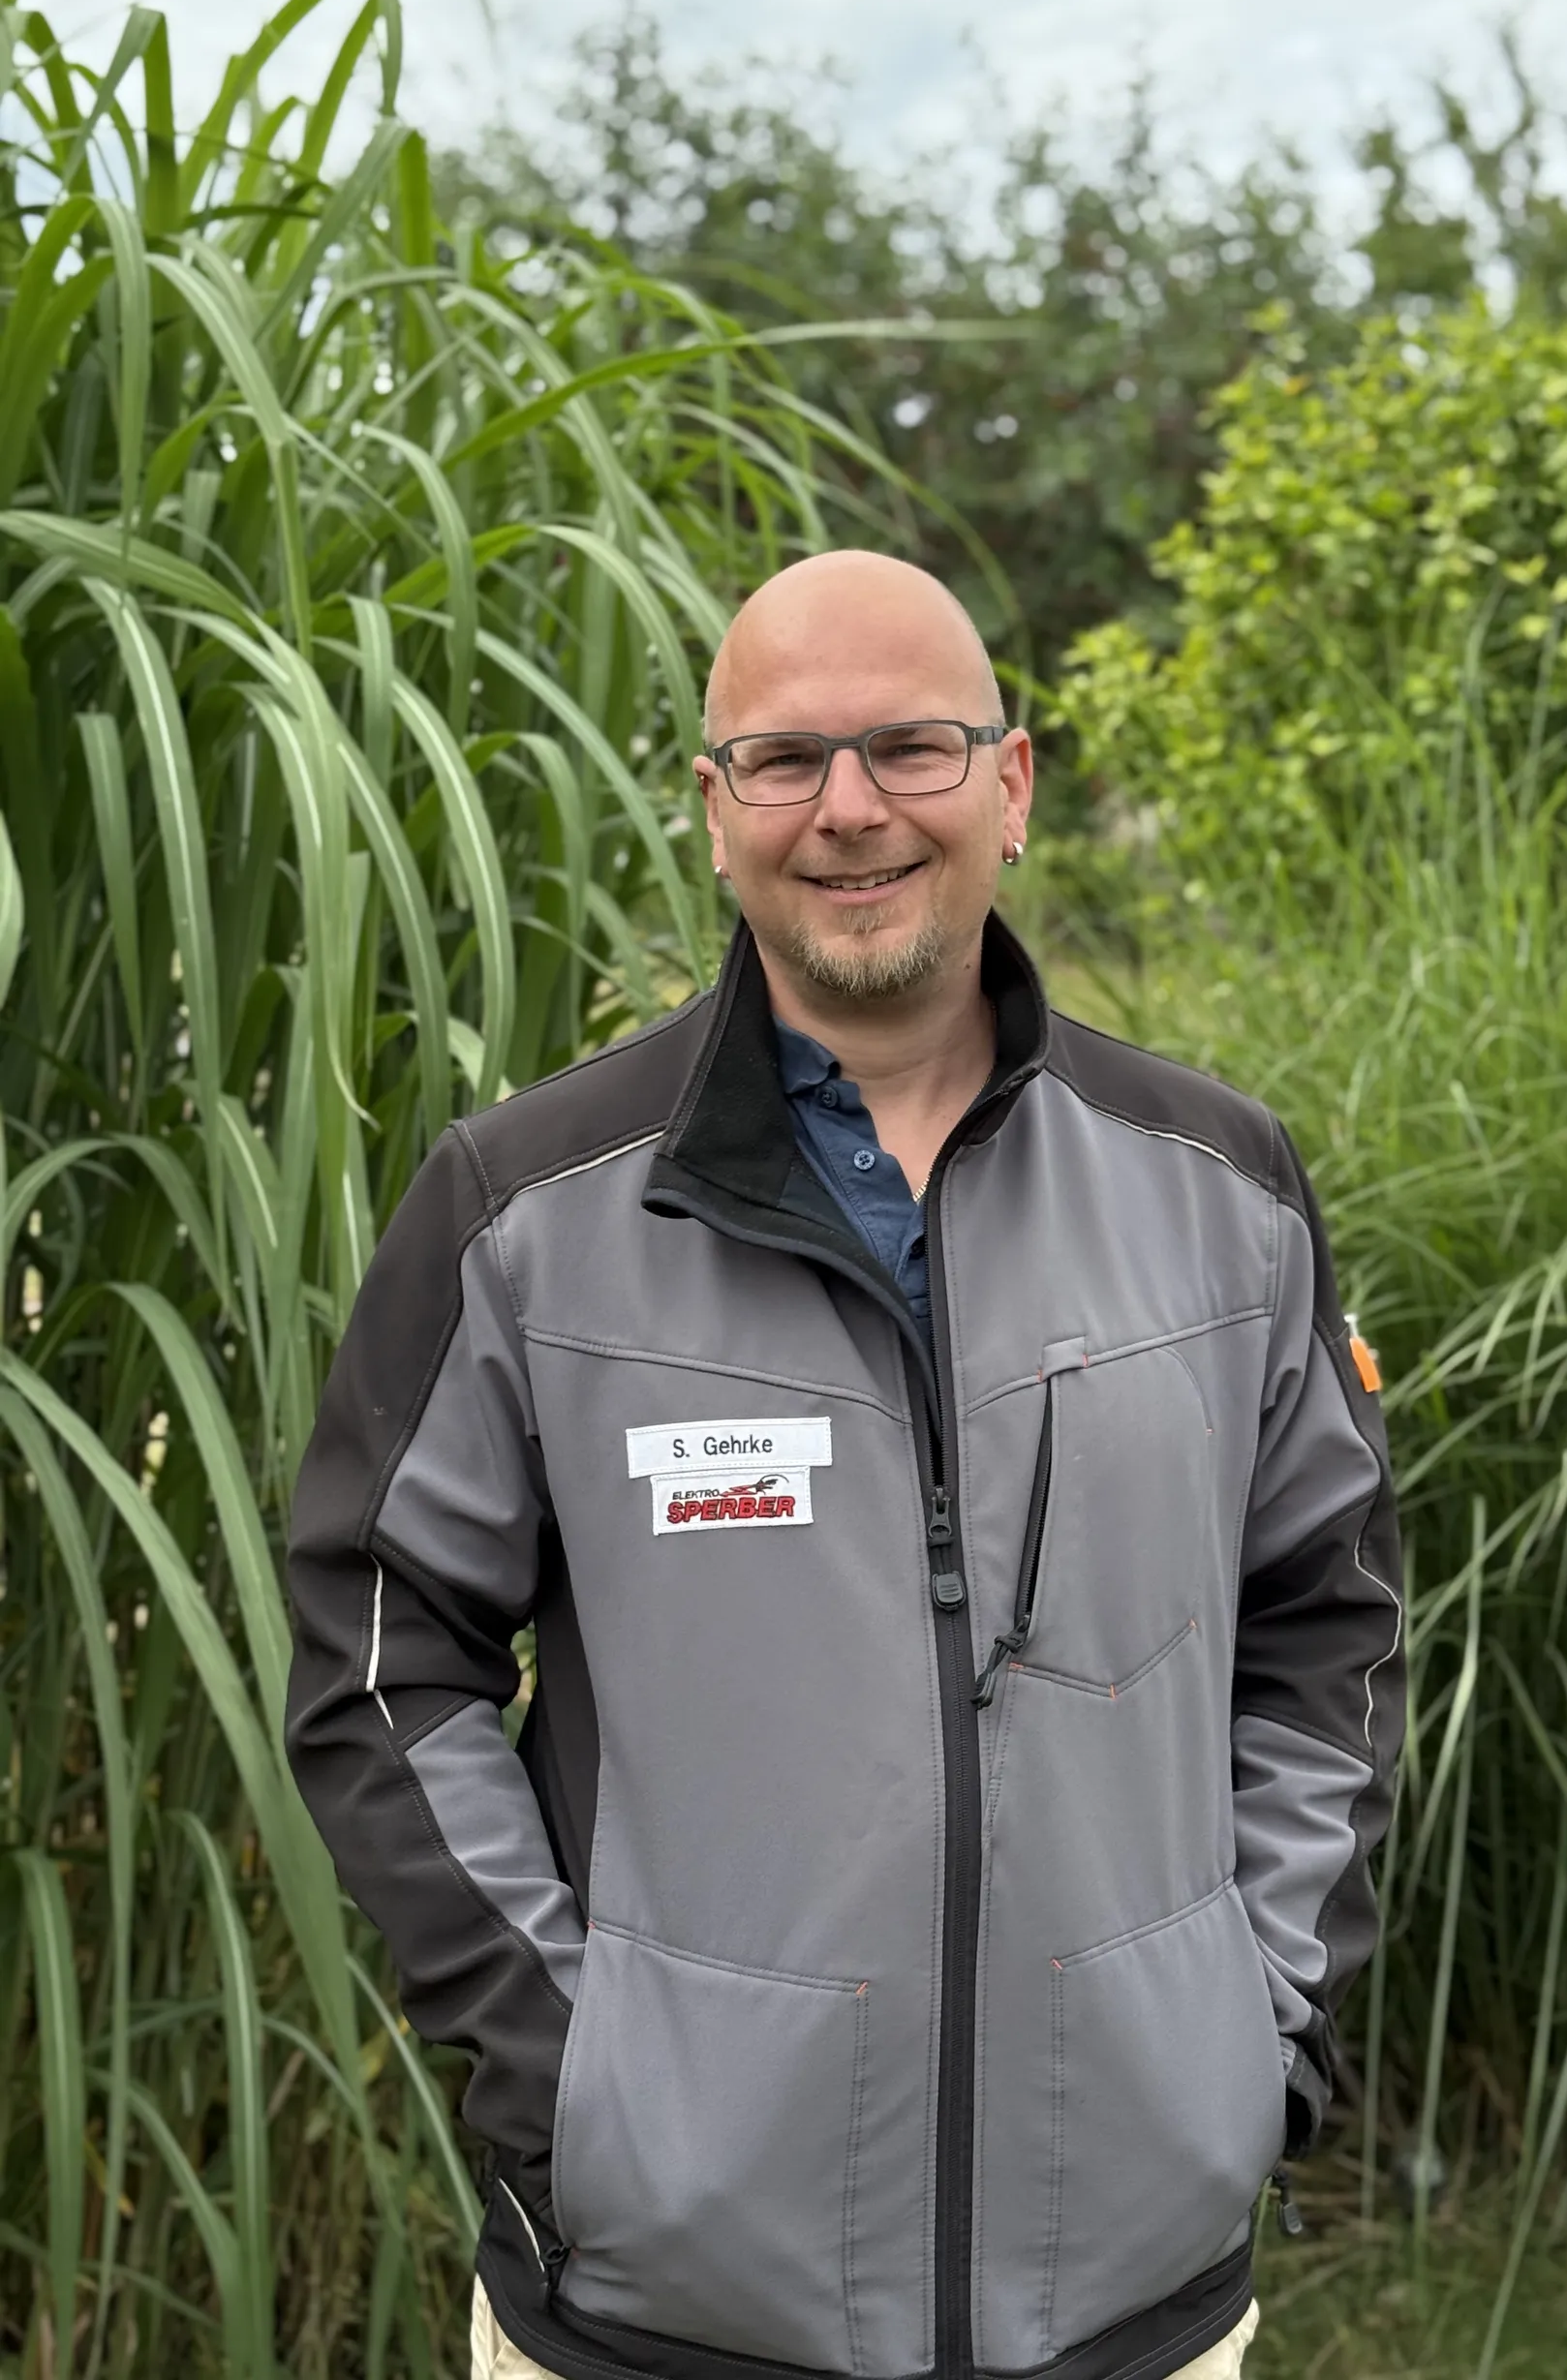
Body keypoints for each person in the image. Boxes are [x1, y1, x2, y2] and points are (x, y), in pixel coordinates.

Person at [285, 551, 1404, 2380]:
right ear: (714, 809)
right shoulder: (524, 1215)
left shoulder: (1225, 1194)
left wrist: (1253, 2030)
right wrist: (584, 2082)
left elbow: (1327, 1624)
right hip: (668, 2315)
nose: (853, 809)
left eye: (912, 748)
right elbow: (379, 1657)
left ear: (1012, 785)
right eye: (787, 759)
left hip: (1135, 2305)